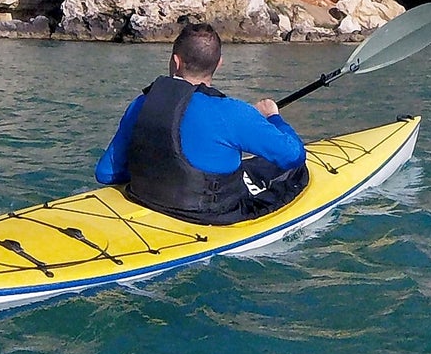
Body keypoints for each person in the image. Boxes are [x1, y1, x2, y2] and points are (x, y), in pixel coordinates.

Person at [95, 22, 308, 224]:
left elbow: (105, 173)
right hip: (210, 216)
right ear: (219, 63)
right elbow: (293, 155)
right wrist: (273, 117)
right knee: (297, 172)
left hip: (145, 199)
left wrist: (156, 175)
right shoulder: (233, 112)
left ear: (175, 61)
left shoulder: (141, 103)